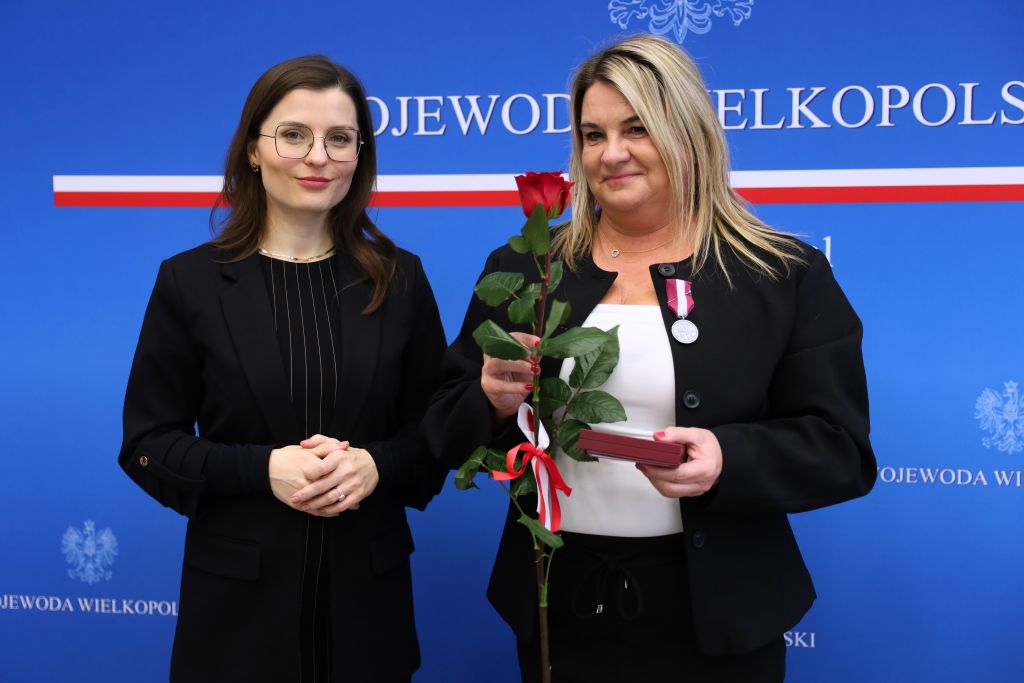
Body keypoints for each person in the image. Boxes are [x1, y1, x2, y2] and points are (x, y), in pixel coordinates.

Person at [424, 35, 876, 683]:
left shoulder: (781, 272)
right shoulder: (525, 268)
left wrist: (727, 458)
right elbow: (445, 427)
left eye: (636, 129)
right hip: (559, 603)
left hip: (719, 614)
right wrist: (490, 400)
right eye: (593, 134)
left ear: (688, 132)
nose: (611, 153)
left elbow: (840, 450)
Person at [119, 55, 447, 683]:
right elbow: (147, 445)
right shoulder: (190, 281)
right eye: (294, 135)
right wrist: (263, 469)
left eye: (339, 139)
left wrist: (375, 466)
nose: (317, 157)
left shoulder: (400, 278)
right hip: (235, 625)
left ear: (360, 155)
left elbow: (435, 434)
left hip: (368, 619)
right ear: (252, 150)